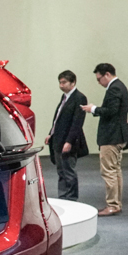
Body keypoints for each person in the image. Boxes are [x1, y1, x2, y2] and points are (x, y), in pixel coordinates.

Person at [81, 63, 128, 216]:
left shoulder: (114, 88)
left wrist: (93, 109)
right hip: (118, 135)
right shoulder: (120, 86)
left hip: (111, 136)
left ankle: (112, 205)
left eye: (99, 79)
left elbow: (111, 111)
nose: (99, 82)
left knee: (108, 171)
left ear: (107, 74)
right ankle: (116, 203)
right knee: (115, 171)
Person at [45, 70, 88, 201]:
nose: (61, 85)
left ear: (73, 82)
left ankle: (71, 198)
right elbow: (58, 119)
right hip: (58, 139)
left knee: (69, 171)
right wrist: (50, 133)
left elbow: (77, 123)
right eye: (60, 82)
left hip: (68, 141)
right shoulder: (64, 97)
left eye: (64, 82)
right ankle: (63, 196)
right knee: (61, 171)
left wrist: (69, 141)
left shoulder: (79, 98)